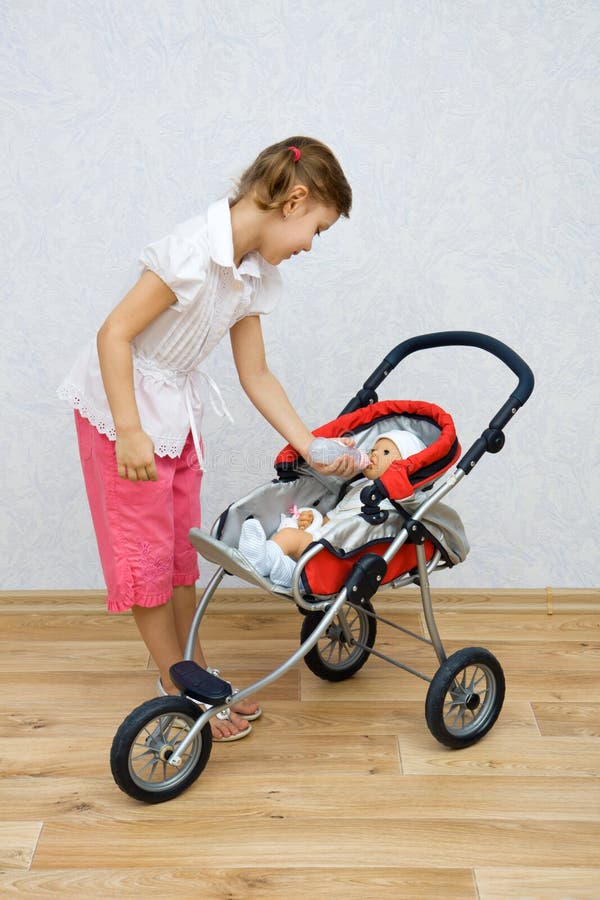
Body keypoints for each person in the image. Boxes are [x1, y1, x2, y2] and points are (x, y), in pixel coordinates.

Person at [58, 137, 355, 741]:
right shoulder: (192, 251)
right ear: (295, 201)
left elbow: (256, 374)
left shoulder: (251, 276)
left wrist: (310, 444)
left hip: (174, 415)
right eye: (316, 231)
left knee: (178, 553)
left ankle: (191, 666)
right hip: (124, 415)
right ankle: (175, 683)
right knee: (145, 555)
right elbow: (114, 334)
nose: (308, 247)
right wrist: (131, 432)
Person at [238, 430, 426, 587]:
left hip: (339, 553)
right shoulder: (358, 488)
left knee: (289, 537)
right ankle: (284, 569)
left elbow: (413, 502)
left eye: (385, 452)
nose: (374, 454)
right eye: (373, 449)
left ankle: (263, 561)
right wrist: (312, 519)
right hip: (325, 538)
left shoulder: (399, 500)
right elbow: (333, 517)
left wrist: (404, 483)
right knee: (290, 529)